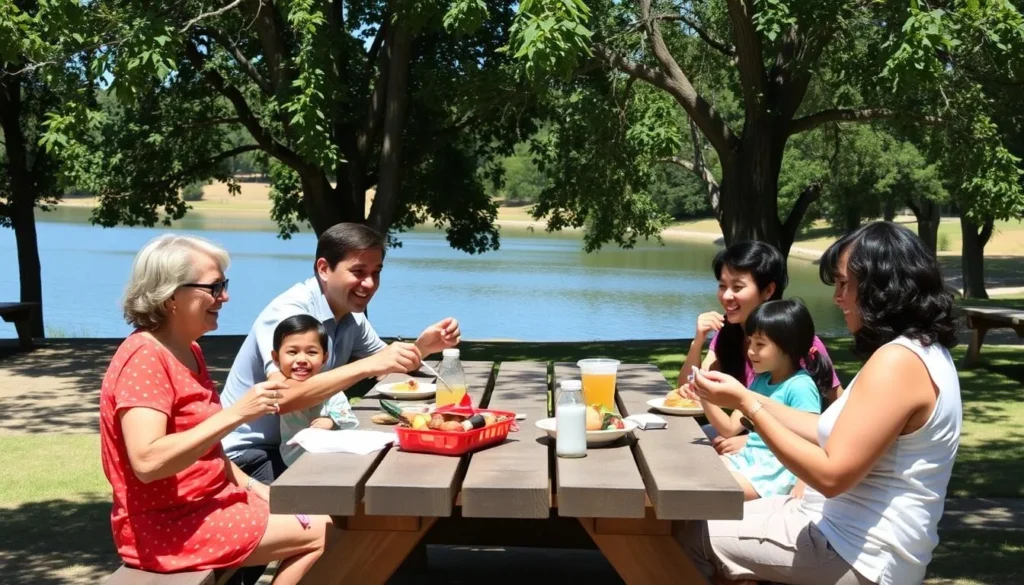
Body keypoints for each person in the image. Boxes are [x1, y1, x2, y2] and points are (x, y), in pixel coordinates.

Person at [685, 221, 962, 585]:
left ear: (881, 286)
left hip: (856, 551)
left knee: (689, 535)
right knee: (697, 518)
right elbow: (823, 429)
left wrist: (748, 407)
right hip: (837, 530)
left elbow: (831, 476)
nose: (837, 297)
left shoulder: (899, 362)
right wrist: (747, 395)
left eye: (845, 284)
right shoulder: (917, 352)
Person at [99, 234, 332, 585]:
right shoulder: (144, 359)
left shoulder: (188, 349)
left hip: (208, 507)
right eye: (214, 287)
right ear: (171, 295)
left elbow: (210, 454)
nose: (224, 296)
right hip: (168, 529)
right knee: (326, 530)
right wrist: (237, 413)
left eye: (224, 285)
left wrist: (260, 490)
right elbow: (147, 462)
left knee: (331, 516)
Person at [221, 222, 460, 483]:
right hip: (249, 455)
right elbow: (281, 399)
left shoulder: (349, 313)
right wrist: (367, 366)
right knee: (359, 491)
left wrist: (422, 347)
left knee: (400, 473)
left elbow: (385, 368)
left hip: (304, 444)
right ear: (324, 269)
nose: (369, 284)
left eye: (376, 272)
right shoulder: (289, 314)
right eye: (358, 271)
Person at [678, 240, 842, 456]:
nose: (726, 296)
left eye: (737, 287)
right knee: (680, 443)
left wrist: (751, 441)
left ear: (768, 290)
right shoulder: (726, 333)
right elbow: (689, 386)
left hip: (786, 453)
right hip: (741, 436)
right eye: (722, 285)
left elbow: (837, 412)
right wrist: (697, 342)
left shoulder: (799, 343)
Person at [701, 299, 834, 501]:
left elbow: (813, 439)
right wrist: (704, 396)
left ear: (787, 347)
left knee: (707, 487)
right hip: (748, 460)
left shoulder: (800, 386)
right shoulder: (761, 380)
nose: (751, 351)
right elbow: (729, 428)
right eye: (750, 342)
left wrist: (803, 482)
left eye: (760, 344)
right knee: (695, 470)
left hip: (773, 474)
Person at [273, 314, 360, 467]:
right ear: (276, 358)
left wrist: (332, 422)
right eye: (292, 352)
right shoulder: (280, 388)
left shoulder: (331, 390)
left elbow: (351, 421)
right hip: (292, 458)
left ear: (324, 358)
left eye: (311, 352)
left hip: (331, 458)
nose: (301, 359)